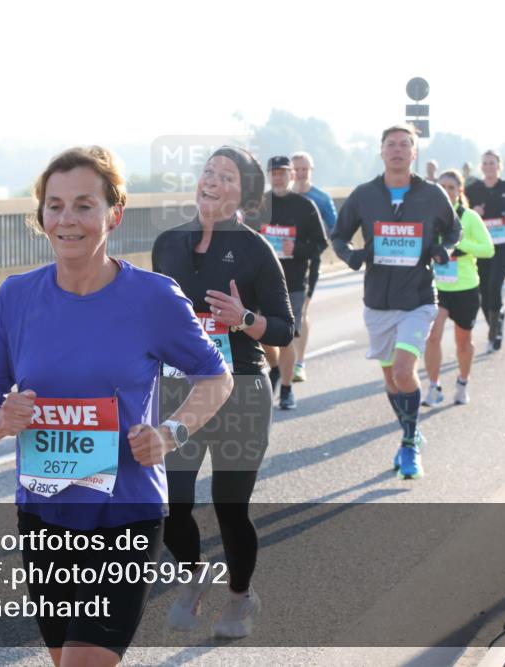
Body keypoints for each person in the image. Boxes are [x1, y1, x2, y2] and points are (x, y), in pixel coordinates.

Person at [0, 146, 234, 667]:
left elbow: (216, 378)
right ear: (41, 215)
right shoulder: (16, 298)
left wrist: (171, 432)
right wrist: (1, 420)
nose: (68, 220)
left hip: (125, 517)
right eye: (55, 205)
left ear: (114, 214)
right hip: (44, 515)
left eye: (84, 205)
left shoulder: (154, 298)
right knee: (66, 659)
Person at [153, 146, 295, 638]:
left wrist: (245, 320)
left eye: (226, 176)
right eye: (208, 171)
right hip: (179, 389)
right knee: (172, 503)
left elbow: (283, 328)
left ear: (245, 195)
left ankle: (239, 596)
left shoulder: (256, 250)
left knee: (230, 505)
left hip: (243, 391)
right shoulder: (168, 243)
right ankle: (192, 578)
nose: (211, 180)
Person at [331, 123, 460, 480]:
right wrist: (351, 256)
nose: (398, 150)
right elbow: (338, 235)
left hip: (418, 297)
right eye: (392, 145)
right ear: (382, 151)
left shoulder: (432, 194)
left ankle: (408, 443)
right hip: (378, 301)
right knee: (391, 379)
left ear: (414, 153)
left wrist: (442, 249)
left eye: (405, 144)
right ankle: (411, 429)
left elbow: (453, 230)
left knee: (405, 370)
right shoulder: (364, 194)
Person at [250, 155, 327, 408]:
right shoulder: (258, 206)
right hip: (259, 282)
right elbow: (244, 239)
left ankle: (286, 389)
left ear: (292, 175)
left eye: (283, 172)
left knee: (286, 337)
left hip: (292, 282)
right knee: (259, 334)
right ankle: (274, 368)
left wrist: (296, 247)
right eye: (274, 173)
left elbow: (320, 244)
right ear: (269, 176)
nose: (279, 177)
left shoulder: (305, 206)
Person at [423, 169, 494, 406]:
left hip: (465, 287)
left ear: (459, 191)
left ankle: (463, 382)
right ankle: (434, 387)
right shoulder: (429, 216)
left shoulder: (470, 217)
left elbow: (488, 249)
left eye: (451, 187)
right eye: (441, 187)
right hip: (437, 287)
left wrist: (462, 245)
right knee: (432, 336)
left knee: (463, 342)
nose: (446, 191)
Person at [465, 150, 505, 353]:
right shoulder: (473, 189)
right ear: (481, 167)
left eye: (492, 163)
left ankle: (494, 331)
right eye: (485, 163)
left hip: (503, 246)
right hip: (481, 247)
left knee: (494, 285)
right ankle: (496, 321)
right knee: (483, 291)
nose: (489, 166)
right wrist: (474, 211)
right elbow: (461, 210)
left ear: (499, 166)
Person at [292, 151, 338, 382]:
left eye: (304, 170)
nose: (300, 174)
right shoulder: (280, 196)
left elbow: (336, 227)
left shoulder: (320, 198)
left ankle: (298, 363)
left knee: (301, 311)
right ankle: (281, 359)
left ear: (311, 170)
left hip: (309, 262)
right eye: (296, 170)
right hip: (280, 263)